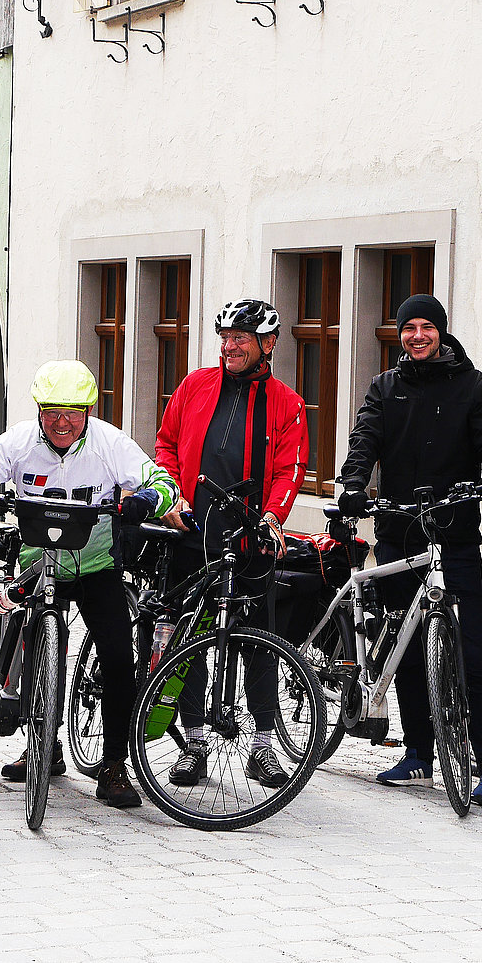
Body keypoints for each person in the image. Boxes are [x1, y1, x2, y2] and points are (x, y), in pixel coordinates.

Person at [0, 361, 181, 810]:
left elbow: (163, 481)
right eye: (52, 411)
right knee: (39, 654)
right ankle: (43, 746)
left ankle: (114, 764)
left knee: (118, 659)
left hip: (95, 565)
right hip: (39, 562)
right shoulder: (20, 440)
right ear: (38, 409)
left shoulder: (109, 442)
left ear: (89, 410)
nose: (61, 422)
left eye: (73, 413)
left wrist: (150, 499)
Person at [334, 292, 482, 792]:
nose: (417, 336)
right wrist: (352, 484)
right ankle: (418, 752)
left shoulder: (473, 385)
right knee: (407, 648)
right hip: (399, 535)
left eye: (426, 328)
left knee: (471, 654)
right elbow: (364, 439)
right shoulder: (385, 387)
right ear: (400, 334)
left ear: (441, 332)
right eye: (408, 328)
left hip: (453, 534)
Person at [153, 297, 307, 789]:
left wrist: (271, 516)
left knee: (258, 639)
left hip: (250, 536)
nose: (229, 346)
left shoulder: (287, 402)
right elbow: (166, 444)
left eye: (240, 338)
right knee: (193, 637)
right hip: (193, 532)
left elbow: (291, 468)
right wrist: (172, 495)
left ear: (267, 345)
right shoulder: (195, 385)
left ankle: (263, 745)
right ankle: (194, 742)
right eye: (224, 337)